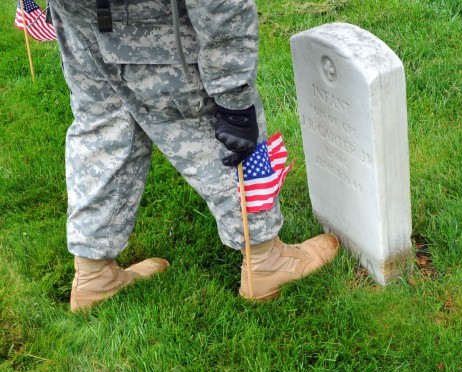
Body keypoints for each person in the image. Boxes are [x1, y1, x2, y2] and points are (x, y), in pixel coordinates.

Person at [47, 0, 339, 312]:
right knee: (209, 117)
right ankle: (266, 260)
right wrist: (233, 94)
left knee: (105, 123)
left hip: (76, 12)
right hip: (146, 13)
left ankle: (94, 275)